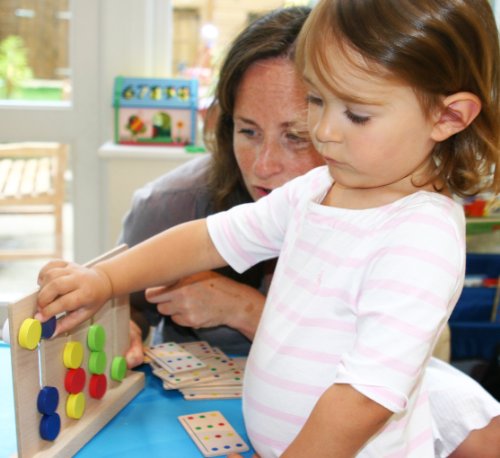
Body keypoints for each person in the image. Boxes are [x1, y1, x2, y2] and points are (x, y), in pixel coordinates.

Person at [36, 2, 500, 456]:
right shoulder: (318, 187)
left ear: (449, 116)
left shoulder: (421, 235)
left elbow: (363, 399)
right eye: (317, 100)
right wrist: (106, 279)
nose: (324, 131)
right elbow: (208, 238)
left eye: (356, 114)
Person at [120, 6, 323, 359]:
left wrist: (248, 311)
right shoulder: (171, 205)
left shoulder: (382, 220)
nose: (263, 165)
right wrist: (121, 329)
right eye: (248, 131)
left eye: (296, 137)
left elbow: (368, 377)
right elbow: (127, 307)